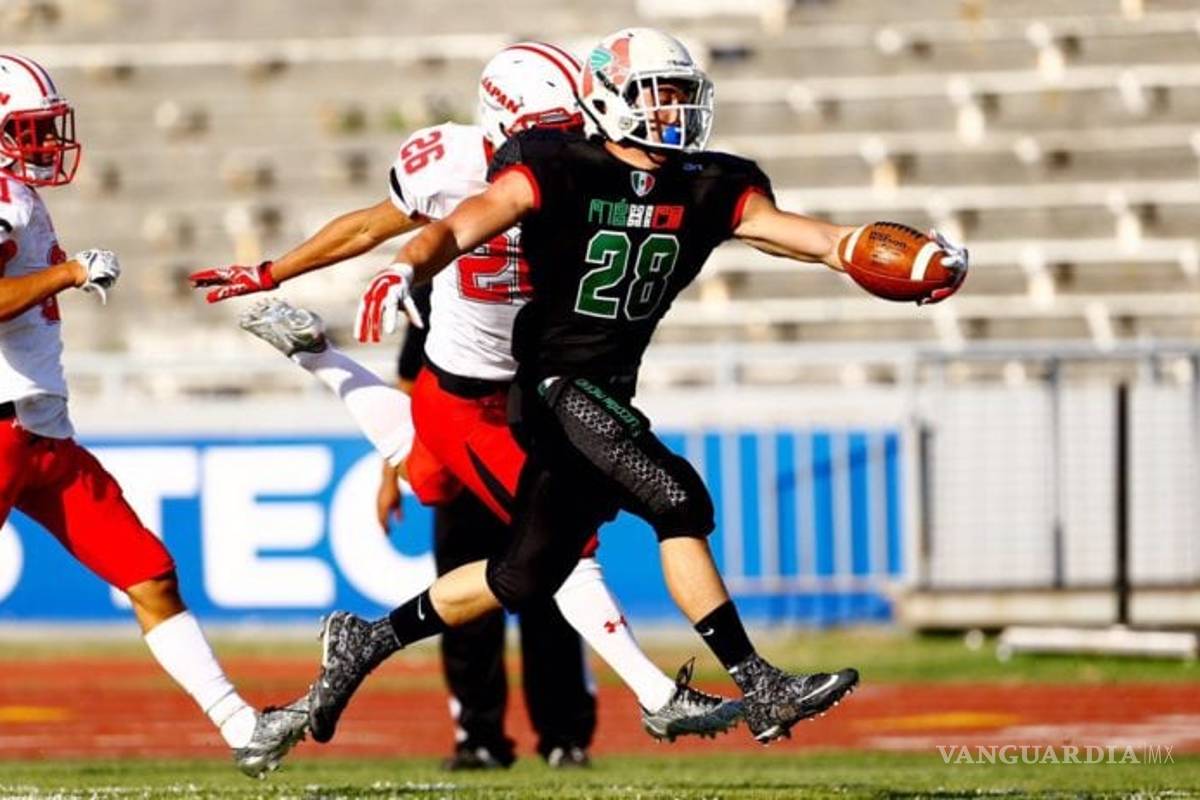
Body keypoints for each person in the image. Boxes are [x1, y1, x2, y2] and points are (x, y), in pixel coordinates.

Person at [308, 26, 969, 746]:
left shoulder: (711, 184)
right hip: (552, 386)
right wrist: (407, 266)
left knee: (522, 576)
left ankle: (365, 642)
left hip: (608, 389)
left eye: (684, 94)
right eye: (660, 94)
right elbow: (464, 224)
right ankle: (761, 682)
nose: (675, 110)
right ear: (609, 97)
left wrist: (903, 260)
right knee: (676, 496)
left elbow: (815, 239)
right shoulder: (556, 166)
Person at [191, 41, 742, 750]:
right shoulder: (448, 163)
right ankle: (656, 693)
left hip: (530, 383)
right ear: (497, 122)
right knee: (561, 548)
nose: (554, 141)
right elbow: (369, 226)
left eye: (565, 124)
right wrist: (274, 269)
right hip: (467, 386)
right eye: (537, 128)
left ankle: (316, 355)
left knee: (420, 467)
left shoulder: (592, 159)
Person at [0, 52, 307, 779]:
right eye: (28, 127)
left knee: (149, 573)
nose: (45, 141)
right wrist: (71, 273)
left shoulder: (18, 192)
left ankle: (241, 725)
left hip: (42, 430)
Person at [396, 282, 598, 770]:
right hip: (464, 459)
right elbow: (410, 377)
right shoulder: (440, 279)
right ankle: (480, 736)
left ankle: (563, 736)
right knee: (466, 612)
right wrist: (391, 474)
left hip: (533, 457)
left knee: (552, 601)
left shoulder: (545, 266)